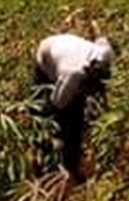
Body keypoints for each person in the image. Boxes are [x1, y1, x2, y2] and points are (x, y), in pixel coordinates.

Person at [32, 32, 115, 183]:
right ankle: (46, 165)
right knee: (62, 119)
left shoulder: (106, 55)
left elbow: (102, 39)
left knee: (75, 119)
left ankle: (72, 166)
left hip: (68, 44)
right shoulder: (71, 75)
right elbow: (54, 109)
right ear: (83, 83)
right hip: (46, 54)